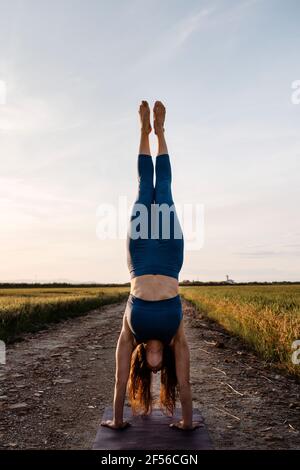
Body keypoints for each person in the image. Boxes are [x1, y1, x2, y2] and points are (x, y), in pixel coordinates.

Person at [101, 101, 200, 431]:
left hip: (141, 257)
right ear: (165, 364)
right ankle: (160, 132)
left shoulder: (132, 333)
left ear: (143, 362)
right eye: (162, 372)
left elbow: (118, 382)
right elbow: (184, 386)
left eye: (151, 372)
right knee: (165, 189)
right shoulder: (175, 336)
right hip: (171, 258)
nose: (157, 372)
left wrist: (117, 420)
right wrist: (186, 422)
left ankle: (145, 131)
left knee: (146, 188)